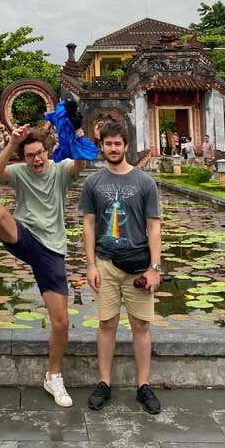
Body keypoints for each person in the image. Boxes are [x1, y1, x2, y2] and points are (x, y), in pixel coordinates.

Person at [0, 125, 85, 407]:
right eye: (30, 154)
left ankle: (53, 376)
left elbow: (80, 165)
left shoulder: (60, 170)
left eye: (40, 153)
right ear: (24, 157)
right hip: (23, 237)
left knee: (61, 321)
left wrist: (77, 138)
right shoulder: (20, 172)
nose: (36, 159)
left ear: (47, 152)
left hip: (52, 250)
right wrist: (11, 143)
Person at [80, 120, 163, 415]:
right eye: (108, 144)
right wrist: (90, 265)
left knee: (141, 325)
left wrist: (155, 267)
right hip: (106, 263)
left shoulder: (144, 182)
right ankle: (104, 382)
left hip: (139, 265)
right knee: (106, 324)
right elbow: (88, 225)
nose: (113, 148)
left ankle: (143, 384)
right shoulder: (93, 183)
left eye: (118, 144)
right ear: (101, 146)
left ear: (126, 146)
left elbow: (153, 227)